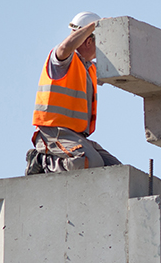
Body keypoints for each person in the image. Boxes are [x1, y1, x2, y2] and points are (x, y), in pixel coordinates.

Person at [26, 12, 122, 174]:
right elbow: (64, 47)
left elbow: (118, 70)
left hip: (76, 136)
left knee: (115, 170)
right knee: (88, 162)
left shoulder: (89, 67)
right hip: (53, 133)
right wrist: (94, 26)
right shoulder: (62, 61)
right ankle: (42, 160)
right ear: (89, 41)